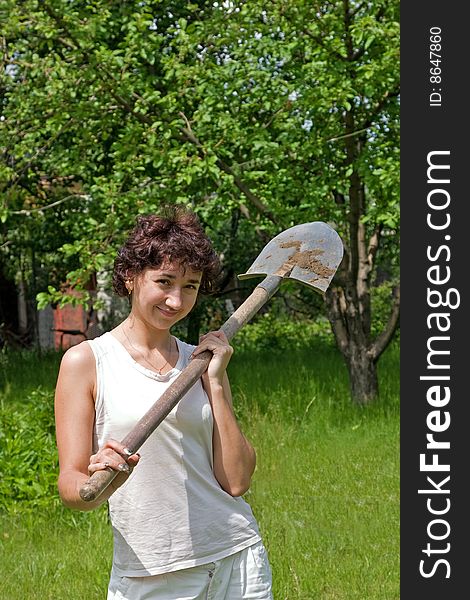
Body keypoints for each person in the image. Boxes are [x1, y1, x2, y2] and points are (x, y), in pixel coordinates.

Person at [54, 206, 273, 599]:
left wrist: (217, 383)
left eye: (189, 285)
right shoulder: (87, 362)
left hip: (236, 558)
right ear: (130, 277)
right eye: (164, 281)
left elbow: (237, 481)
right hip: (151, 572)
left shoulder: (200, 361)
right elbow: (72, 487)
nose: (176, 300)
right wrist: (98, 480)